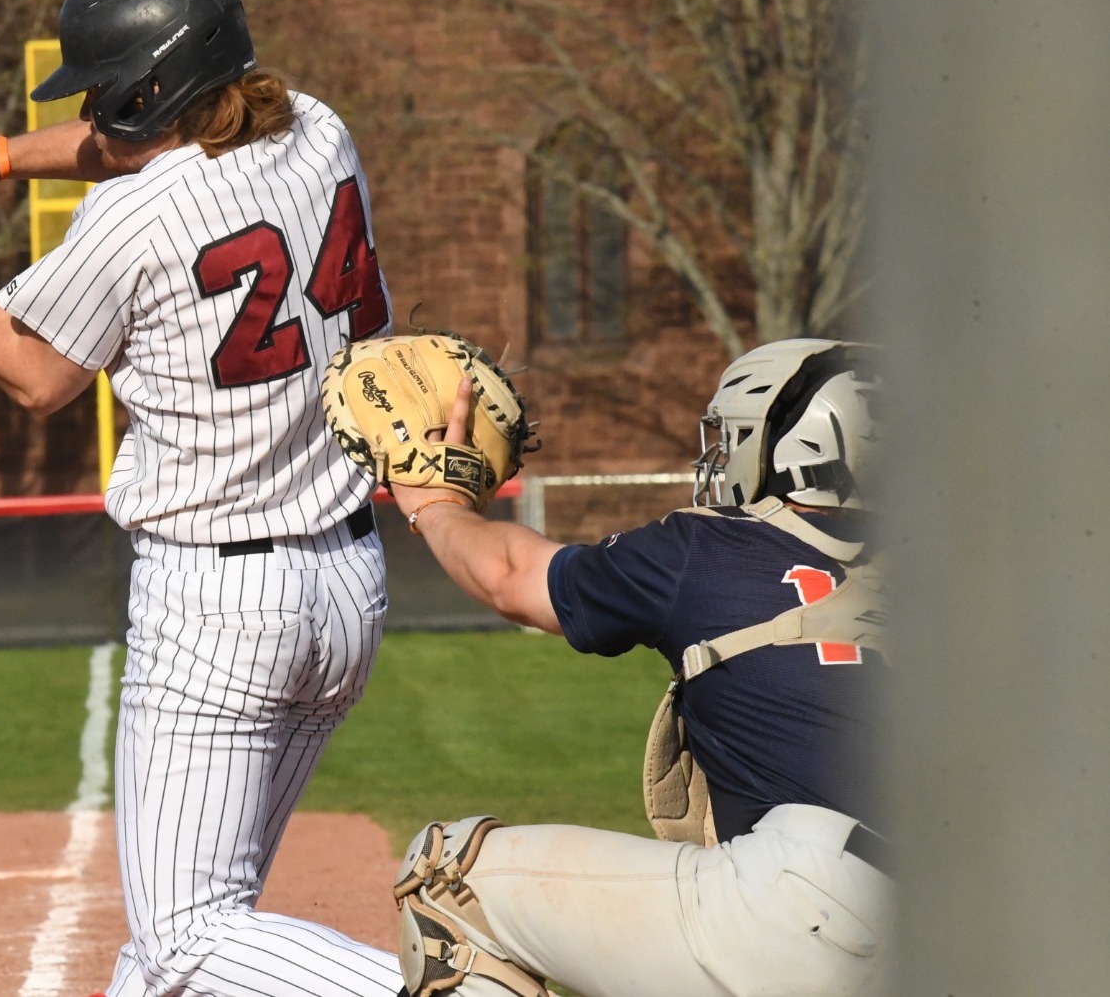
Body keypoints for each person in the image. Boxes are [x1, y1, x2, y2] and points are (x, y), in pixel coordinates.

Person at [0, 0, 405, 997]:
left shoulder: (128, 222)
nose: (88, 107)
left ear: (145, 95)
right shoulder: (315, 127)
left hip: (219, 605)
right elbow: (143, 143)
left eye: (105, 89)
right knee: (168, 955)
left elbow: (36, 375)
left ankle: (448, 986)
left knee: (185, 937)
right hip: (345, 586)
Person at [379, 338, 888, 997]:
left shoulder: (705, 551)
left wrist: (435, 504)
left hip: (807, 908)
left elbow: (510, 577)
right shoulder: (969, 582)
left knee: (448, 876)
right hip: (971, 925)